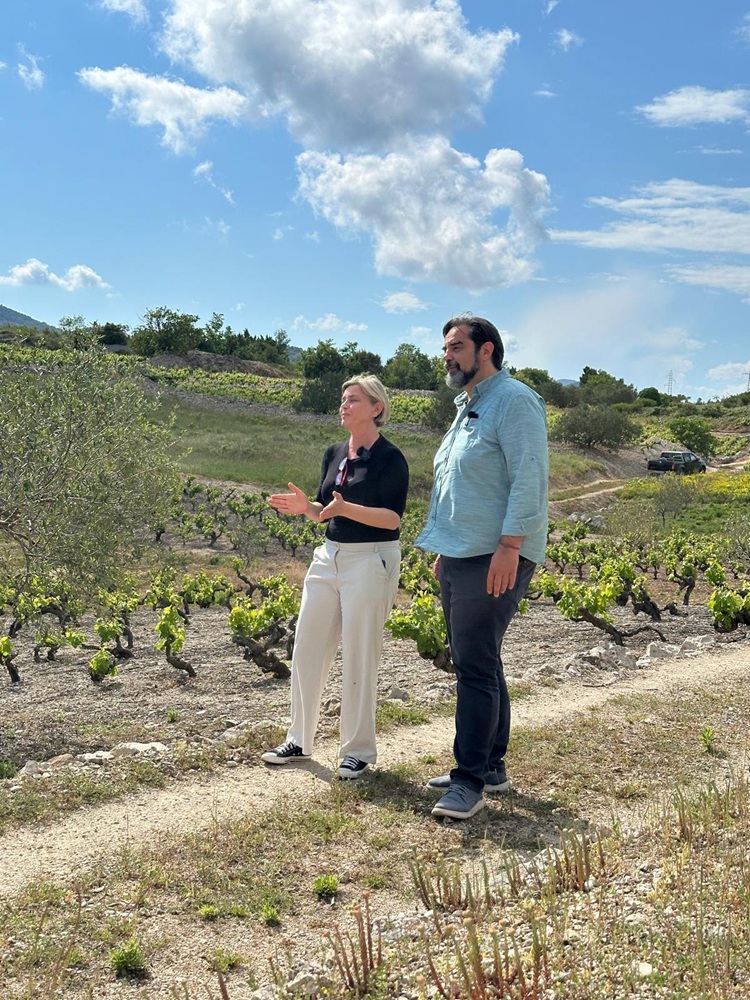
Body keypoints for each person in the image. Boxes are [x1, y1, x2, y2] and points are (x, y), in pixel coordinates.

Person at [416, 315, 548, 820]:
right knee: (481, 658)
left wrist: (510, 546)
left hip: (496, 552)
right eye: (445, 348)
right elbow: (461, 483)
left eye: (455, 347)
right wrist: (445, 548)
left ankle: (467, 781)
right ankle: (490, 766)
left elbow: (529, 478)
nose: (447, 357)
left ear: (485, 350)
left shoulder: (514, 400)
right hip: (461, 552)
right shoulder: (469, 406)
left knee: (472, 665)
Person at [262, 374, 409, 778]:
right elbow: (326, 508)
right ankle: (299, 739)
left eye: (353, 399)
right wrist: (306, 508)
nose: (344, 405)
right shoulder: (334, 453)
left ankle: (357, 750)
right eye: (343, 399)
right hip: (329, 556)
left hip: (371, 559)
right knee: (307, 647)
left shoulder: (390, 458)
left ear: (376, 408)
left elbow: (392, 519)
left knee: (360, 654)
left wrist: (345, 509)